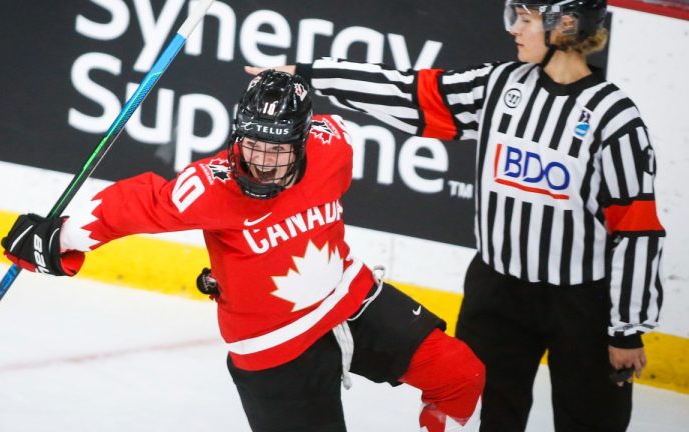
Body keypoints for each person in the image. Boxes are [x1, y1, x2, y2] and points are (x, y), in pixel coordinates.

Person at [246, 1, 666, 431]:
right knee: (489, 414)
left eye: (526, 19)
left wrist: (626, 329)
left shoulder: (615, 119)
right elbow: (406, 92)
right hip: (498, 293)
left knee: (592, 419)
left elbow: (637, 230)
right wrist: (309, 74)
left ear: (567, 24)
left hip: (581, 303)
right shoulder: (500, 85)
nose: (515, 29)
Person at [1, 70, 484, 432]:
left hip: (351, 299)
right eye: (251, 144)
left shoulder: (334, 147)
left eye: (277, 149)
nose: (261, 161)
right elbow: (135, 205)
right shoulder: (211, 187)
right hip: (271, 349)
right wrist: (58, 237)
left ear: (303, 141)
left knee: (462, 377)